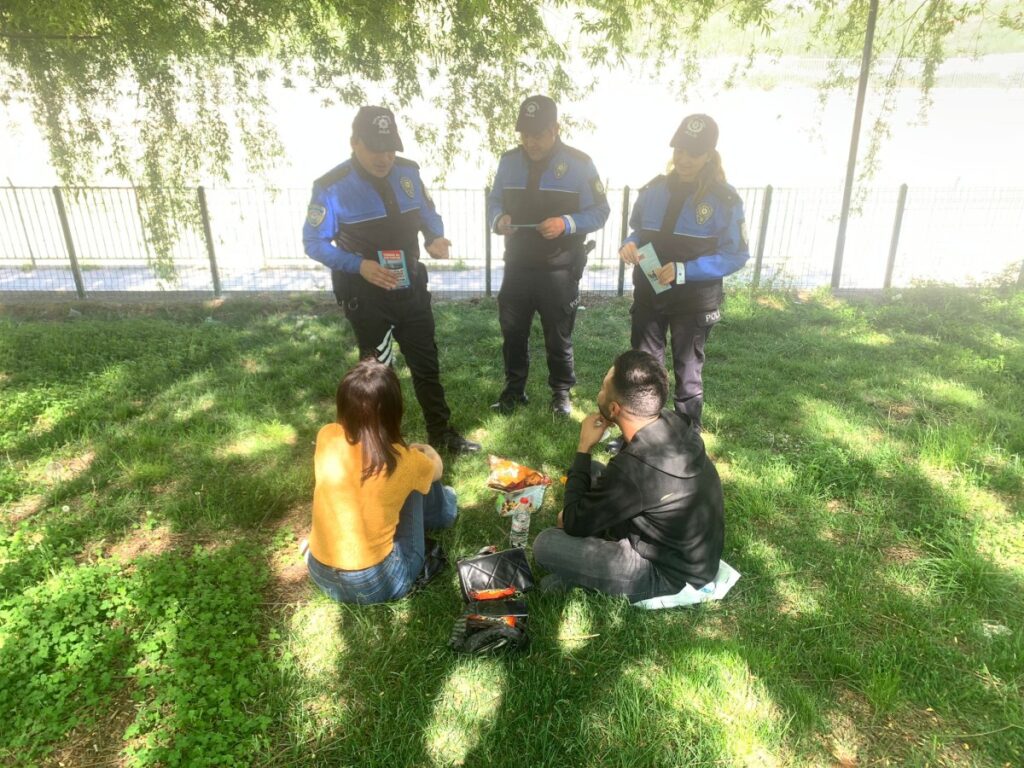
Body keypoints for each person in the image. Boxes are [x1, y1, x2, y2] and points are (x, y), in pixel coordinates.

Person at [303, 105, 479, 454]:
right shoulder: (330, 187)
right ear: (354, 143)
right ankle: (381, 443)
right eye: (375, 148)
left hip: (411, 289)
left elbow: (429, 214)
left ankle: (441, 433)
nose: (384, 157)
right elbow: (313, 243)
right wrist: (358, 265)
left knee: (427, 364)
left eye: (390, 149)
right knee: (376, 376)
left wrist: (434, 237)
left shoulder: (408, 174)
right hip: (367, 297)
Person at [532, 350, 724, 603]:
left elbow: (571, 523)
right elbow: (633, 482)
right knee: (594, 471)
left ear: (614, 408)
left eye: (602, 388)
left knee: (546, 544)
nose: (598, 393)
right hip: (691, 553)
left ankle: (584, 577)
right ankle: (581, 574)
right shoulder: (672, 421)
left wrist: (584, 448)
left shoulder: (633, 469)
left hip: (668, 573)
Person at [617, 113, 749, 441]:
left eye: (693, 153)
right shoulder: (653, 190)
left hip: (694, 300)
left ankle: (687, 437)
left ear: (708, 155)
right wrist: (629, 243)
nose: (684, 159)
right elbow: (638, 230)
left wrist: (683, 271)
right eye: (679, 150)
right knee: (643, 367)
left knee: (687, 370)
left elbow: (736, 255)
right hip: (650, 293)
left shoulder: (724, 200)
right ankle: (642, 433)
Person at [487, 95, 611, 417]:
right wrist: (499, 220)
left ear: (556, 128)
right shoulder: (508, 161)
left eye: (539, 134)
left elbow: (600, 211)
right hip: (517, 266)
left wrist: (566, 223)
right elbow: (494, 201)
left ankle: (560, 394)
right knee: (513, 332)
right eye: (526, 134)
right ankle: (515, 389)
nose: (531, 141)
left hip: (559, 268)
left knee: (558, 335)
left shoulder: (580, 164)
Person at [305, 358, 458, 604]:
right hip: (379, 585)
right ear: (394, 409)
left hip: (320, 573)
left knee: (411, 477)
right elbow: (437, 470)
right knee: (420, 478)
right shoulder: (403, 460)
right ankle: (445, 512)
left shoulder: (327, 436)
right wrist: (427, 450)